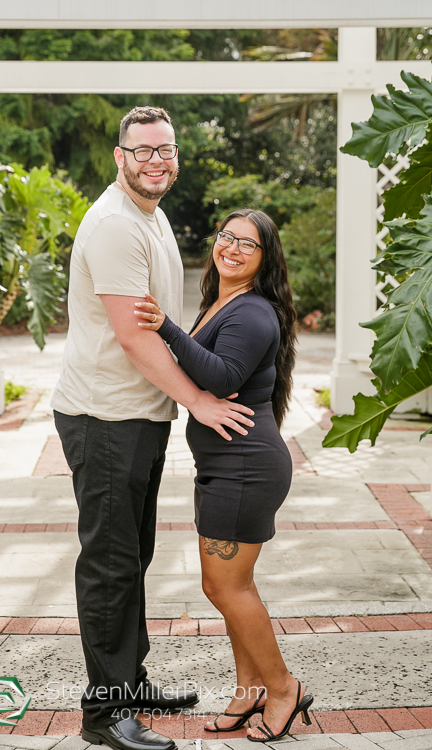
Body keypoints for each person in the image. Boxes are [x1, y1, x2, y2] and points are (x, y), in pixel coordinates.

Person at [51, 107, 255, 750]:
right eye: (141, 151)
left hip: (136, 415)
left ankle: (129, 684)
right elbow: (136, 340)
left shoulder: (152, 214)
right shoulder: (115, 224)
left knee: (131, 556)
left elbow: (166, 322)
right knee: (110, 565)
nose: (154, 161)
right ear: (120, 156)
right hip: (104, 415)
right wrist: (199, 399)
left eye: (164, 150)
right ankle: (105, 714)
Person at [134, 208, 314, 744]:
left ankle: (282, 689)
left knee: (223, 585)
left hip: (245, 468)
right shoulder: (224, 301)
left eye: (248, 244)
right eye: (226, 237)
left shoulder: (254, 312)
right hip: (225, 466)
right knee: (234, 585)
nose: (232, 248)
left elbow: (223, 376)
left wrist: (163, 323)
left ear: (265, 258)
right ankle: (249, 691)